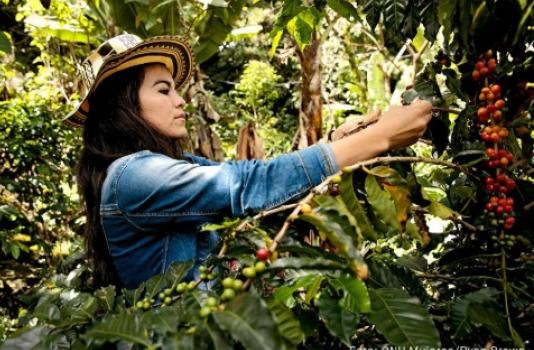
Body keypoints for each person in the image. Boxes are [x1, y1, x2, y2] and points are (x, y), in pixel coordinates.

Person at [67, 34, 432, 289]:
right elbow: (247, 186)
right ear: (124, 107)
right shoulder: (132, 175)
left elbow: (265, 187)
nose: (180, 101)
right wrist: (379, 138)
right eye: (164, 90)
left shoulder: (166, 167)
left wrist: (336, 142)